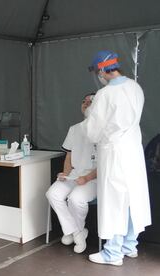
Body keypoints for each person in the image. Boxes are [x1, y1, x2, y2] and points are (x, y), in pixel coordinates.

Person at [82, 50, 151, 266]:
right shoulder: (135, 87)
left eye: (97, 71)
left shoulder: (104, 95)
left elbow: (93, 132)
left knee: (113, 202)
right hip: (133, 151)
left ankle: (112, 253)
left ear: (102, 70)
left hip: (114, 153)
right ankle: (129, 246)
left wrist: (88, 111)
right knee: (132, 200)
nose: (98, 76)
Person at [46, 93, 97, 254]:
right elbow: (68, 155)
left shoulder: (104, 130)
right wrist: (65, 173)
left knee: (75, 198)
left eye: (90, 101)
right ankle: (76, 232)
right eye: (84, 101)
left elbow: (105, 164)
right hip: (74, 174)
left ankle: (74, 232)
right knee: (52, 193)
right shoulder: (74, 129)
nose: (86, 103)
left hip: (94, 177)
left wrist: (87, 178)